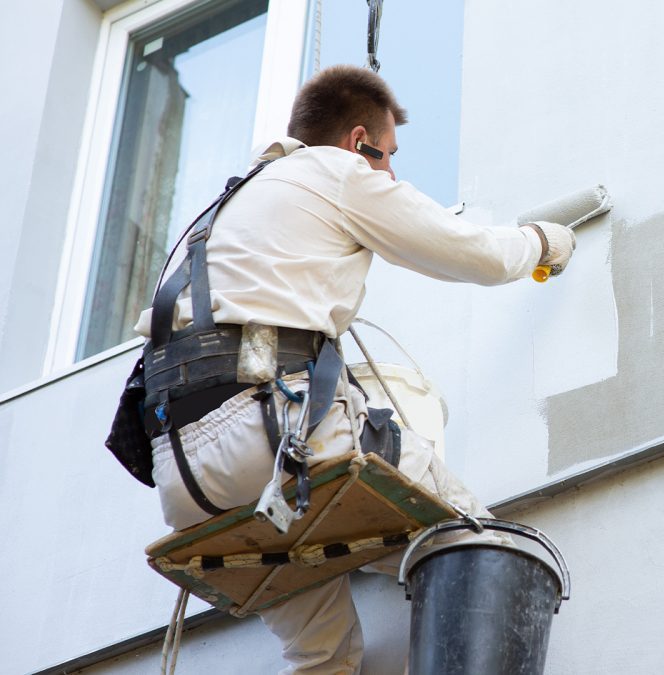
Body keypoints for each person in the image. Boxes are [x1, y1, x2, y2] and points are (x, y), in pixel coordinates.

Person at [134, 65, 576, 673]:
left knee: (323, 655)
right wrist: (543, 243)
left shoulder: (224, 213)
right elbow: (471, 251)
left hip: (184, 480)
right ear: (356, 139)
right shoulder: (336, 173)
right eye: (387, 155)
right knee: (476, 545)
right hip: (275, 438)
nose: (390, 173)